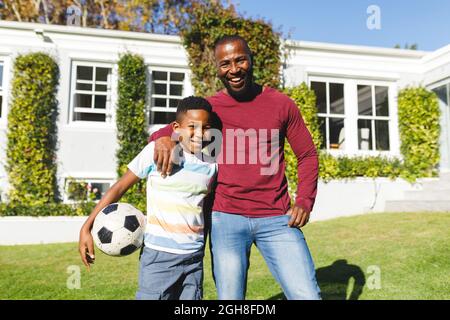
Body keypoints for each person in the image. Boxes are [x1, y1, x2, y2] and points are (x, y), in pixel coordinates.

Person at [149, 35, 321, 300]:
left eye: (240, 59)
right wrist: (161, 138)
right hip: (225, 218)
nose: (234, 69)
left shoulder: (282, 104)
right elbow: (169, 132)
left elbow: (307, 154)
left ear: (251, 59)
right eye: (225, 63)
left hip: (277, 217)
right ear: (217, 68)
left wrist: (305, 200)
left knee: (307, 295)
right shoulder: (211, 110)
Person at [78, 96, 218, 300]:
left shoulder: (211, 165)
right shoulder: (156, 152)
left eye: (206, 127)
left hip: (194, 257)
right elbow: (118, 188)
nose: (200, 134)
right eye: (192, 127)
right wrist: (86, 227)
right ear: (177, 127)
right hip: (159, 257)